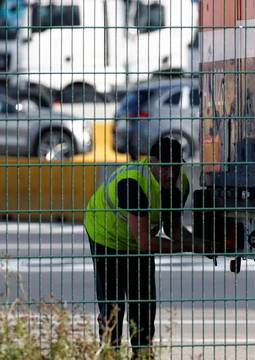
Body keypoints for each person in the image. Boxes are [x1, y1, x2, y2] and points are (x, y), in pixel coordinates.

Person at [84, 137, 208, 358]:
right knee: (113, 305)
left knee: (143, 302)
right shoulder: (132, 183)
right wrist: (190, 247)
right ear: (152, 162)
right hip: (106, 236)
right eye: (164, 167)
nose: (171, 173)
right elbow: (145, 242)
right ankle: (109, 354)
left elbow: (174, 230)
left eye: (176, 167)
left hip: (139, 241)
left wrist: (204, 245)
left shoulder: (181, 184)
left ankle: (142, 353)